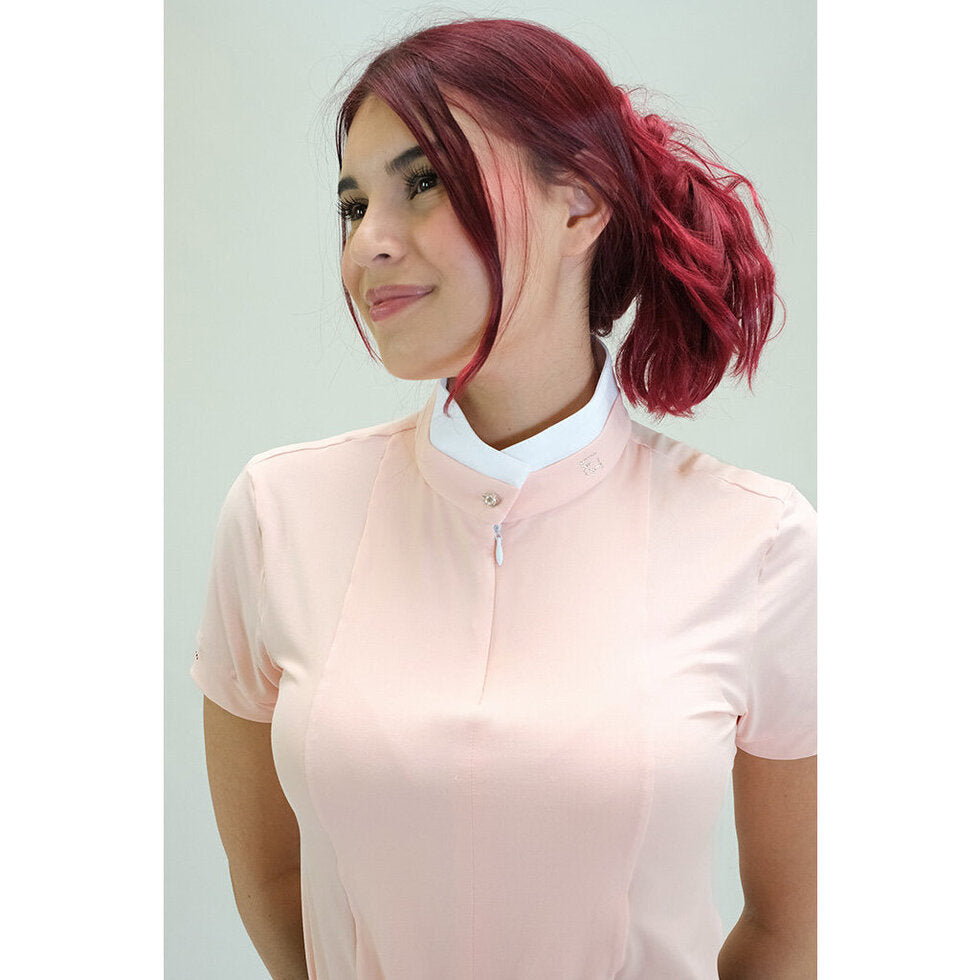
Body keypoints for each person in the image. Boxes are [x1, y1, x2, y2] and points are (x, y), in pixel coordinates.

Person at [192, 16, 816, 980]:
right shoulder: (278, 515)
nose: (368, 246)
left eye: (425, 183)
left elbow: (792, 928)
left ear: (582, 203)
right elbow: (268, 876)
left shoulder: (760, 543)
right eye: (353, 204)